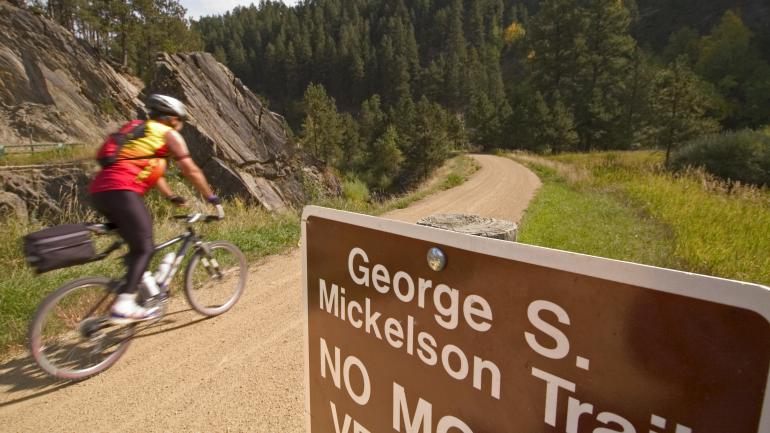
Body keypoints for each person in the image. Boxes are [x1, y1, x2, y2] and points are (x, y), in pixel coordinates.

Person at [89, 94, 222, 323]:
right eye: (181, 121)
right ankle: (124, 304)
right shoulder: (169, 134)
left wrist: (170, 196)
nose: (181, 126)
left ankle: (146, 291)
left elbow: (151, 168)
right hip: (122, 191)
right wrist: (212, 198)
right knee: (145, 248)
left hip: (99, 192)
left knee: (136, 246)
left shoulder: (138, 131)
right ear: (172, 119)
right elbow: (191, 170)